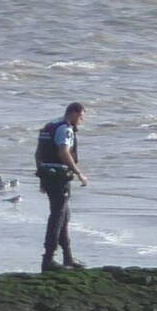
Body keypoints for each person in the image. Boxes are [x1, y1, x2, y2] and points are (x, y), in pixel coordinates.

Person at [34, 102, 89, 272]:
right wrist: (79, 172)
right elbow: (63, 152)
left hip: (47, 173)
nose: (82, 120)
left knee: (64, 215)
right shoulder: (65, 129)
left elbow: (38, 153)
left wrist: (41, 177)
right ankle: (49, 258)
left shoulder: (50, 125)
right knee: (58, 216)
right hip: (58, 176)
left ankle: (68, 257)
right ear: (73, 113)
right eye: (81, 116)